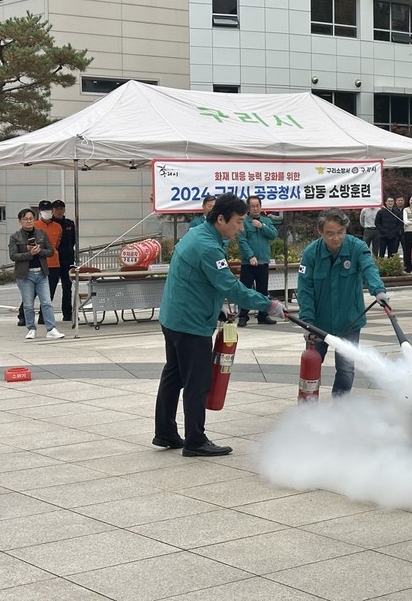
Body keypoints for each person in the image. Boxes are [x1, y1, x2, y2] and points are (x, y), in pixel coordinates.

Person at [154, 193, 286, 456]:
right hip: (190, 324)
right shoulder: (208, 246)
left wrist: (218, 307)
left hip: (174, 317)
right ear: (221, 219)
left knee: (174, 376)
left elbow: (198, 279)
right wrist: (268, 303)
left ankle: (165, 432)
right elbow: (230, 286)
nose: (241, 228)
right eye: (238, 222)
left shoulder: (198, 234)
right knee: (197, 382)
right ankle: (195, 441)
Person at [297, 208, 388, 396]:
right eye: (330, 234)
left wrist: (378, 290)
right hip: (319, 322)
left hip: (349, 321)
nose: (336, 238)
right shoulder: (311, 253)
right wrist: (307, 322)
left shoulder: (357, 247)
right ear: (320, 232)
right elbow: (305, 290)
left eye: (340, 232)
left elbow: (369, 268)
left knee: (346, 369)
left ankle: (340, 405)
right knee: (312, 364)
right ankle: (308, 403)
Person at [9, 209, 64, 340]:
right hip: (25, 275)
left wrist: (39, 251)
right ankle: (31, 329)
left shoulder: (41, 233)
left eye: (31, 219)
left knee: (46, 302)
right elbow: (13, 255)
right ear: (20, 221)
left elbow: (51, 251)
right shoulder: (15, 237)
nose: (29, 221)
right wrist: (29, 253)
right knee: (28, 304)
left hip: (41, 273)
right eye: (25, 219)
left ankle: (51, 329)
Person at [237, 195, 279, 326]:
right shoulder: (244, 222)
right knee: (245, 290)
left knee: (262, 290)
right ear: (248, 208)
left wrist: (262, 226)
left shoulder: (266, 221)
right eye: (252, 206)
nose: (255, 209)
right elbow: (242, 241)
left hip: (263, 261)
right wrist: (250, 256)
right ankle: (243, 316)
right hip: (248, 263)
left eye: (257, 206)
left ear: (261, 207)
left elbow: (273, 235)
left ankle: (263, 315)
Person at [51, 199, 76, 322]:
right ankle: (43, 314)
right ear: (52, 210)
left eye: (61, 209)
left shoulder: (69, 224)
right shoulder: (50, 224)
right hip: (53, 260)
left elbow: (73, 241)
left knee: (67, 288)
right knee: (50, 288)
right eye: (57, 209)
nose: (59, 211)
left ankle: (67, 313)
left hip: (67, 260)